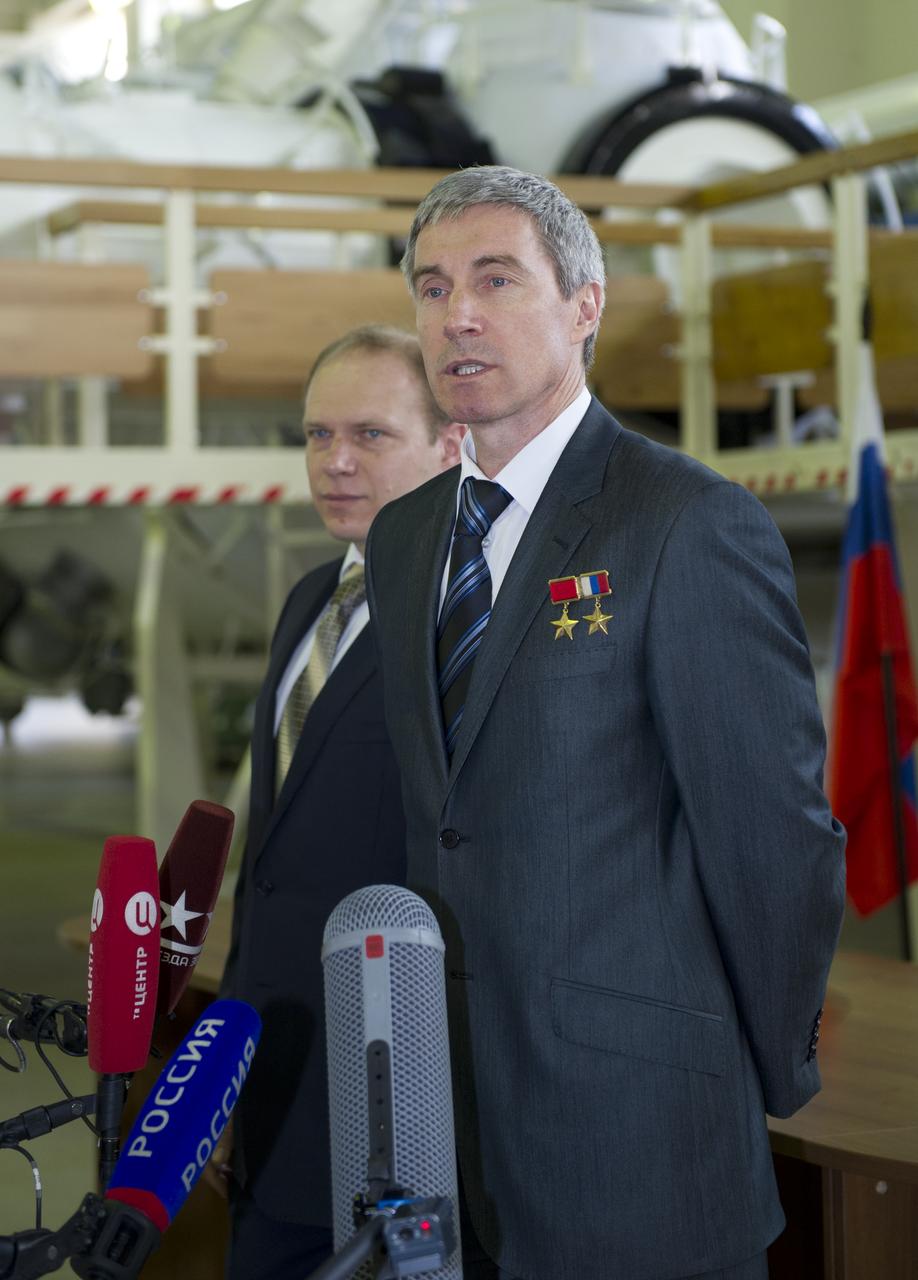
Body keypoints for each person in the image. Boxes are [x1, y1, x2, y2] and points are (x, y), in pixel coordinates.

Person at [364, 167, 846, 1280]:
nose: (459, 315)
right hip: (452, 1133)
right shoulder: (405, 540)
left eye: (496, 279)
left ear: (586, 305)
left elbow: (775, 839)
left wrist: (746, 1068)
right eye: (432, 288)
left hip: (643, 1136)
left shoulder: (685, 522)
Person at [215, 325, 464, 1280]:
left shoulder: (463, 622)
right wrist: (232, 1080)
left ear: (450, 447)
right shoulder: (310, 599)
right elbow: (270, 869)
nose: (335, 462)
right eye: (317, 436)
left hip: (395, 1108)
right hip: (274, 1087)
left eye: (369, 434)